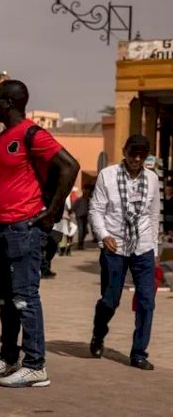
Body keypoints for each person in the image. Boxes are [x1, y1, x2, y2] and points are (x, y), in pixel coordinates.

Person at [0, 80, 79, 388]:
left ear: (8, 103)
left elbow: (70, 166)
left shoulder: (33, 134)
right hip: (3, 227)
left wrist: (52, 212)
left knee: (24, 298)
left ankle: (36, 365)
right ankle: (9, 358)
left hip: (24, 228)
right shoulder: (3, 137)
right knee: (5, 299)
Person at [89, 134, 159, 370]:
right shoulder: (107, 176)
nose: (136, 158)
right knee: (110, 300)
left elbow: (153, 215)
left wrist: (155, 250)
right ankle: (98, 335)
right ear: (125, 151)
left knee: (147, 302)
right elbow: (96, 210)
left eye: (141, 154)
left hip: (143, 247)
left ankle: (139, 353)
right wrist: (103, 235)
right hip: (114, 245)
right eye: (132, 153)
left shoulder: (152, 179)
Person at [73, 185, 92, 250]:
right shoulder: (78, 200)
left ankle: (81, 243)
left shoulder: (88, 200)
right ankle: (80, 244)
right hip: (79, 217)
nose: (86, 192)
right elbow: (74, 207)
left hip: (85, 217)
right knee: (81, 230)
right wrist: (77, 213)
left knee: (84, 231)